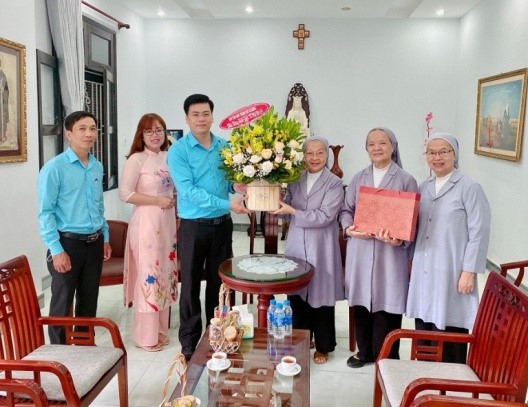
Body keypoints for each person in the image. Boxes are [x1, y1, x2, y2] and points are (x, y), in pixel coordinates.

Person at [167, 94, 249, 360]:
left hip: (222, 226)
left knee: (221, 283)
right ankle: (190, 343)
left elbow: (227, 184)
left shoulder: (224, 147)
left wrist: (238, 187)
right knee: (189, 285)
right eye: (195, 114)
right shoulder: (178, 151)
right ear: (187, 118)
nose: (201, 119)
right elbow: (188, 192)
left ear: (212, 116)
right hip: (193, 226)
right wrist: (229, 204)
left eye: (205, 114)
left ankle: (220, 334)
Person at [406, 133, 491, 364]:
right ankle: (424, 373)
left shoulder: (469, 188)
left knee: (450, 319)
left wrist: (469, 271)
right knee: (425, 319)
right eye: (432, 152)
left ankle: (450, 376)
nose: (437, 157)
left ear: (455, 154)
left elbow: (479, 232)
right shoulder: (424, 187)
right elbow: (414, 226)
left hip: (453, 269)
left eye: (444, 151)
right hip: (424, 266)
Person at [340, 127, 418, 368]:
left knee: (387, 302)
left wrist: (400, 239)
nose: (377, 148)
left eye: (382, 143)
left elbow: (411, 220)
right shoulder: (358, 178)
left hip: (389, 253)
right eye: (371, 144)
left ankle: (387, 356)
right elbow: (346, 210)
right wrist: (348, 228)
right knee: (361, 300)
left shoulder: (406, 180)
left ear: (392, 147)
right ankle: (364, 352)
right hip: (361, 250)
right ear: (366, 149)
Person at [38, 110, 112, 344]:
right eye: (82, 129)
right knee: (62, 301)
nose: (89, 134)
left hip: (94, 241)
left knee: (89, 299)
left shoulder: (96, 166)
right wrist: (56, 249)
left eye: (92, 129)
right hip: (67, 243)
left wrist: (106, 237)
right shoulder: (54, 168)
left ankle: (83, 346)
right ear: (69, 134)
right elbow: (45, 213)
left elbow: (99, 207)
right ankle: (58, 352)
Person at [272, 135, 344, 364]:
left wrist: (294, 213)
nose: (314, 157)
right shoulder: (296, 178)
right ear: (303, 156)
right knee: (298, 294)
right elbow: (286, 207)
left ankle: (323, 346)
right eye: (309, 153)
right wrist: (272, 199)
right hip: (296, 245)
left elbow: (325, 216)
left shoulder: (333, 182)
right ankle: (303, 339)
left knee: (321, 297)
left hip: (321, 245)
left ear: (327, 155)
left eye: (319, 153)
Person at [118, 113, 178, 352]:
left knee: (164, 274)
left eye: (159, 130)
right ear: (140, 135)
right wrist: (156, 201)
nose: (155, 135)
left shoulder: (169, 157)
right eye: (149, 131)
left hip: (167, 223)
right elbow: (125, 194)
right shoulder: (136, 160)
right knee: (149, 276)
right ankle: (145, 336)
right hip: (145, 223)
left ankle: (160, 331)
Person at [0, 56, 9, 142]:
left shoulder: (2, 75)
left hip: (1, 101)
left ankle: (2, 136)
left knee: (2, 118)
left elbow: (6, 89)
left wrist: (3, 90)